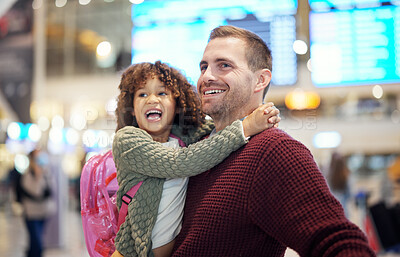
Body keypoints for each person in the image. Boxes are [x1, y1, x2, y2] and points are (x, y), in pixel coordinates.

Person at [119, 26, 376, 256]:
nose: (206, 76)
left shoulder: (274, 151)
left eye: (224, 65)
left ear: (260, 80)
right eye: (204, 66)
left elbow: (335, 241)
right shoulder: (198, 146)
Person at [111, 61, 280, 257]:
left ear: (177, 104)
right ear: (131, 107)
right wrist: (247, 127)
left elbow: (220, 130)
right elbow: (181, 162)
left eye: (162, 93)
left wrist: (259, 118)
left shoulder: (183, 137)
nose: (152, 100)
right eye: (142, 94)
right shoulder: (128, 140)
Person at [20, 149, 55, 257]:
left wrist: (43, 174)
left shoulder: (46, 173)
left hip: (42, 213)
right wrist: (38, 176)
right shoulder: (27, 175)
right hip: (31, 215)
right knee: (37, 244)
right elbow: (36, 192)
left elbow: (51, 190)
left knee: (35, 243)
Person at [327, 151, 351, 217]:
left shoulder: (328, 176)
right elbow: (350, 194)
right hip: (344, 208)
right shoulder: (346, 176)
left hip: (332, 210)